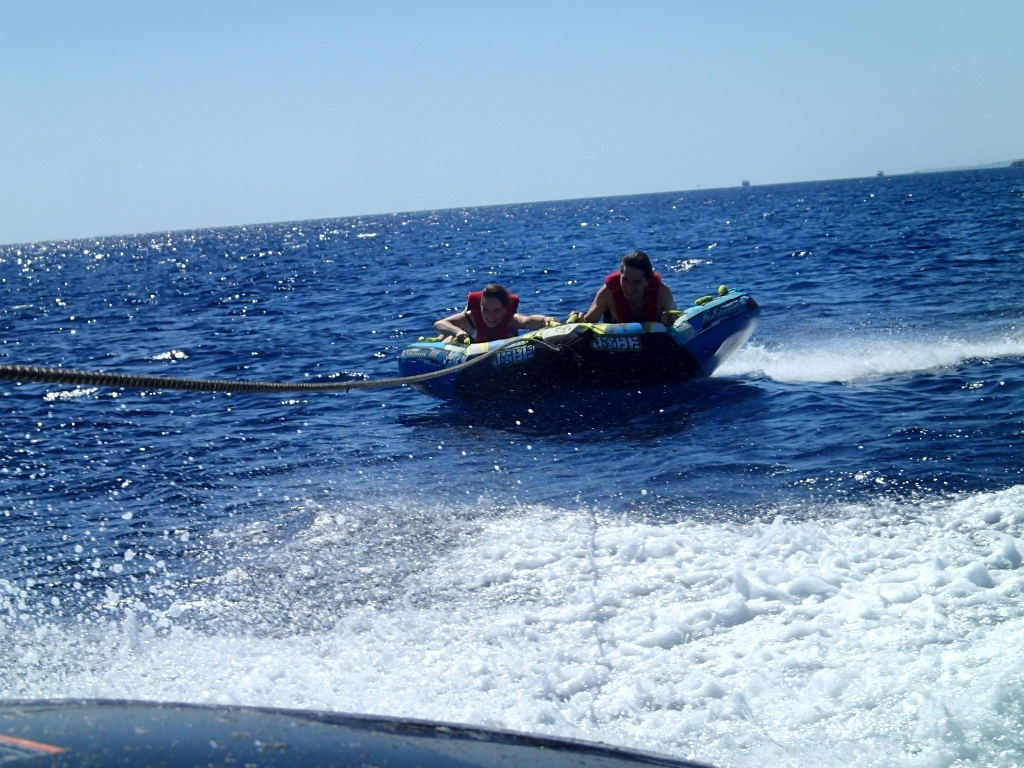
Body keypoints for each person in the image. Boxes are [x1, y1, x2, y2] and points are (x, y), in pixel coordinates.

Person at [434, 283, 558, 343]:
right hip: (462, 343)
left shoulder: (510, 320)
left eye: (496, 310)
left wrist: (545, 320)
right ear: (481, 307)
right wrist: (457, 332)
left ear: (505, 309)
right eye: (486, 310)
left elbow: (528, 321)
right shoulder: (473, 318)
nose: (490, 317)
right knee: (448, 337)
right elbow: (439, 324)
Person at [582, 250, 677, 325]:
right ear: (620, 276)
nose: (629, 288)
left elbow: (677, 323)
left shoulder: (662, 293)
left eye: (637, 282)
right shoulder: (608, 293)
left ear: (647, 281)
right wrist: (578, 319)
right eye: (625, 280)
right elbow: (587, 323)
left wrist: (669, 322)